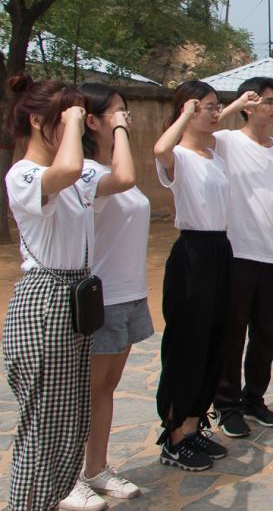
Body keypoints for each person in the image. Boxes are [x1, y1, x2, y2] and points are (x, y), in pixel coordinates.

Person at [3, 74, 95, 511]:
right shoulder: (24, 174)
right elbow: (71, 167)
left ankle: (51, 499)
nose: (74, 124)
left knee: (69, 422)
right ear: (38, 121)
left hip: (73, 296)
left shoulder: (67, 179)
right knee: (42, 428)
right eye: (65, 117)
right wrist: (75, 121)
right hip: (45, 302)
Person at [152, 81, 252, 471]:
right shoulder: (176, 155)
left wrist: (233, 105)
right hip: (192, 252)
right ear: (188, 111)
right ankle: (174, 436)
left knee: (215, 341)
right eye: (207, 107)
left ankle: (193, 428)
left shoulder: (212, 153)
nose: (215, 112)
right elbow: (160, 149)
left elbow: (215, 122)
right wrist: (185, 112)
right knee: (187, 345)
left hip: (220, 248)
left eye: (215, 106)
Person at [64, 84, 152, 508]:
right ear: (91, 121)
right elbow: (125, 179)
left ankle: (96, 467)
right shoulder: (83, 172)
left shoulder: (111, 166)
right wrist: (119, 132)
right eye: (117, 113)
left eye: (126, 112)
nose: (125, 119)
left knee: (108, 387)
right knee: (87, 389)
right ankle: (67, 478)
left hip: (129, 292)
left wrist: (117, 134)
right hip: (102, 296)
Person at [211, 77, 273, 437]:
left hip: (271, 255)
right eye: (267, 101)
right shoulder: (227, 141)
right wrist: (234, 104)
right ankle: (227, 405)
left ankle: (254, 399)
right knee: (232, 334)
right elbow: (202, 130)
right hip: (237, 253)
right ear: (249, 105)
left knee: (267, 334)